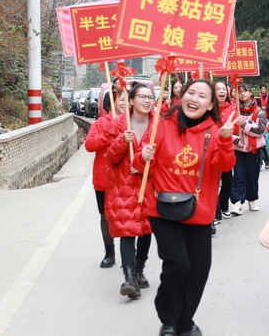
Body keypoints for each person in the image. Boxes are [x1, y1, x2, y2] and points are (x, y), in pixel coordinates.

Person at [136, 78, 237, 336]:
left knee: (199, 269)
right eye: (191, 92)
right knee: (178, 263)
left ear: (211, 104)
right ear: (182, 95)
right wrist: (142, 155)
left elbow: (225, 167)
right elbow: (140, 162)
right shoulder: (162, 123)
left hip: (199, 210)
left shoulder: (215, 130)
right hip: (162, 207)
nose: (195, 99)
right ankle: (169, 319)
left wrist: (225, 140)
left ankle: (185, 320)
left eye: (203, 96)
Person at [105, 83, 156, 299]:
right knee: (127, 230)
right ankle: (128, 277)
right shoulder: (118, 124)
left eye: (150, 97)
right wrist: (121, 142)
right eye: (142, 97)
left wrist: (145, 165)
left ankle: (139, 269)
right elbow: (111, 157)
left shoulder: (159, 124)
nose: (147, 100)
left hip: (149, 184)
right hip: (124, 185)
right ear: (131, 100)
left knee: (146, 229)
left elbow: (164, 156)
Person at [83, 86, 124, 269]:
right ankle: (109, 251)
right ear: (112, 102)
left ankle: (129, 255)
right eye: (120, 99)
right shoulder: (100, 123)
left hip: (127, 177)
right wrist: (108, 135)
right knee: (105, 215)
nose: (123, 102)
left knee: (127, 215)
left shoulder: (134, 122)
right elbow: (90, 145)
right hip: (103, 178)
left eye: (126, 99)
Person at [230, 84, 268, 215]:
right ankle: (237, 202)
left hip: (254, 150)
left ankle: (252, 200)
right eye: (239, 92)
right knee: (238, 176)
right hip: (238, 149)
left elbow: (260, 131)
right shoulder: (234, 111)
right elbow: (228, 129)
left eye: (245, 91)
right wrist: (235, 140)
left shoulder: (259, 112)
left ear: (251, 93)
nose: (242, 94)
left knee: (252, 176)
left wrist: (244, 124)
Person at [215, 81, 236, 222]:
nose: (222, 91)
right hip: (212, 148)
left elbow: (236, 129)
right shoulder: (208, 108)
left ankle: (224, 205)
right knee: (213, 182)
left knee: (227, 180)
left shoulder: (232, 108)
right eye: (218, 89)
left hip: (227, 148)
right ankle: (214, 212)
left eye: (224, 89)